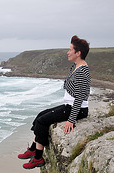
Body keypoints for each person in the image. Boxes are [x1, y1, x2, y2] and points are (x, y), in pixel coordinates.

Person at [18, 35, 91, 169]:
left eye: (70, 50)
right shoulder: (75, 67)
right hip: (68, 105)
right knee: (40, 115)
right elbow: (68, 86)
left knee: (42, 121)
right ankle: (34, 148)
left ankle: (38, 158)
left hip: (77, 109)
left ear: (78, 53)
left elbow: (79, 96)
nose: (68, 52)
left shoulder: (82, 71)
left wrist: (71, 119)